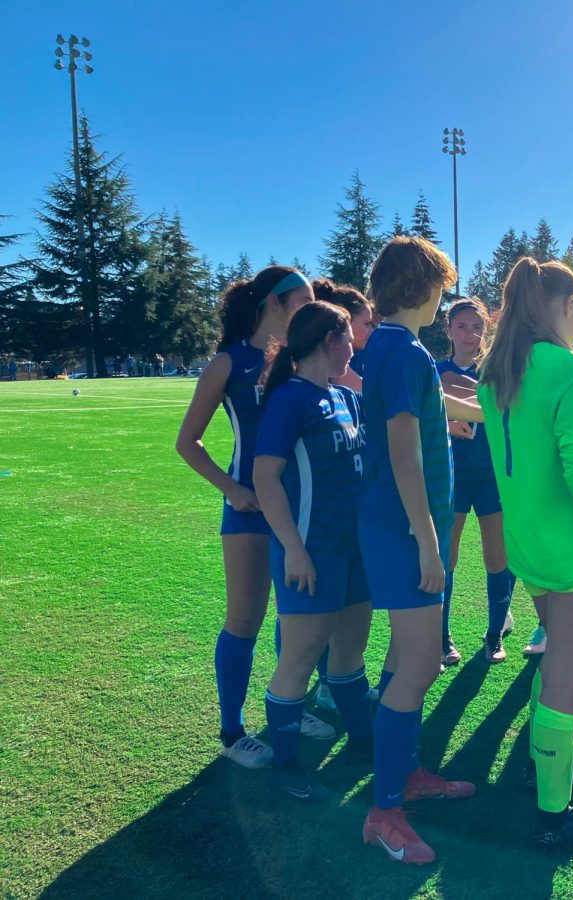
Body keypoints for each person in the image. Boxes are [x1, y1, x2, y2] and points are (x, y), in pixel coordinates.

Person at [478, 257, 573, 849]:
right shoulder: (568, 368)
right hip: (571, 551)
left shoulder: (500, 368)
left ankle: (540, 768)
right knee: (564, 677)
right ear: (568, 308)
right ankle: (553, 816)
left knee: (555, 668)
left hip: (528, 548)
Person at [175, 266, 331, 768]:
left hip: (304, 507)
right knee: (245, 618)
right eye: (302, 302)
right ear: (274, 305)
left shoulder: (301, 360)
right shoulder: (229, 363)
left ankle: (291, 704)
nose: (309, 311)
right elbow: (188, 442)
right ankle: (232, 730)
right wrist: (233, 490)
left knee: (299, 615)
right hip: (249, 511)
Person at [358, 237, 483, 864]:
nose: (444, 298)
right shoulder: (404, 353)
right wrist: (431, 547)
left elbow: (435, 409)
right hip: (406, 533)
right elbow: (404, 456)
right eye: (441, 287)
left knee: (413, 661)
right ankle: (385, 811)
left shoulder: (393, 348)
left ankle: (405, 776)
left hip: (395, 528)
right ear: (425, 287)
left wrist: (490, 412)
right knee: (419, 667)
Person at [253, 301, 374, 801]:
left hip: (354, 551)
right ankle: (285, 763)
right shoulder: (290, 399)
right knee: (300, 658)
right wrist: (294, 550)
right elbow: (266, 478)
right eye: (350, 337)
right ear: (331, 339)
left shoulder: (345, 397)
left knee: (349, 651)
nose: (355, 347)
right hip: (311, 553)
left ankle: (365, 744)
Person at [306, 278, 377, 711]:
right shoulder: (317, 388)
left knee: (347, 613)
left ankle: (337, 683)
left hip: (349, 519)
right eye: (365, 324)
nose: (367, 333)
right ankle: (317, 690)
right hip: (320, 525)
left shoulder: (341, 388)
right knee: (310, 620)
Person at [437, 297, 515, 665]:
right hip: (450, 474)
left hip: (491, 476)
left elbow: (506, 410)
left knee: (496, 556)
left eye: (478, 326)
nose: (471, 334)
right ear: (449, 329)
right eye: (462, 326)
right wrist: (447, 421)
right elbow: (421, 420)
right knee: (445, 558)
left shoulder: (498, 371)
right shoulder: (434, 370)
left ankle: (494, 634)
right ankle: (441, 637)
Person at [313, 278, 376, 394]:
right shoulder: (336, 360)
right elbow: (373, 395)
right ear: (347, 320)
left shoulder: (356, 357)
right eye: (367, 324)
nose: (372, 331)